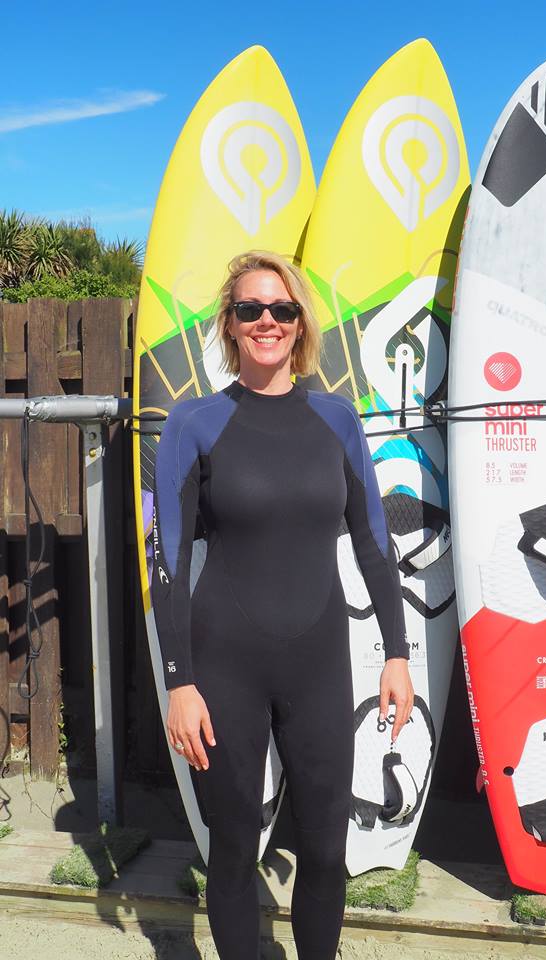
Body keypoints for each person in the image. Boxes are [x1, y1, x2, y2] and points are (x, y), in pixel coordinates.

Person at [150, 249, 414, 959]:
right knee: (234, 847)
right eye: (250, 309)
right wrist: (180, 682)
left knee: (327, 849)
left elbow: (374, 542)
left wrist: (397, 652)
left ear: (300, 325)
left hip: (319, 662)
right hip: (224, 665)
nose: (266, 321)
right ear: (229, 325)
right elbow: (167, 561)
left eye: (281, 309)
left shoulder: (337, 418)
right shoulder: (194, 423)